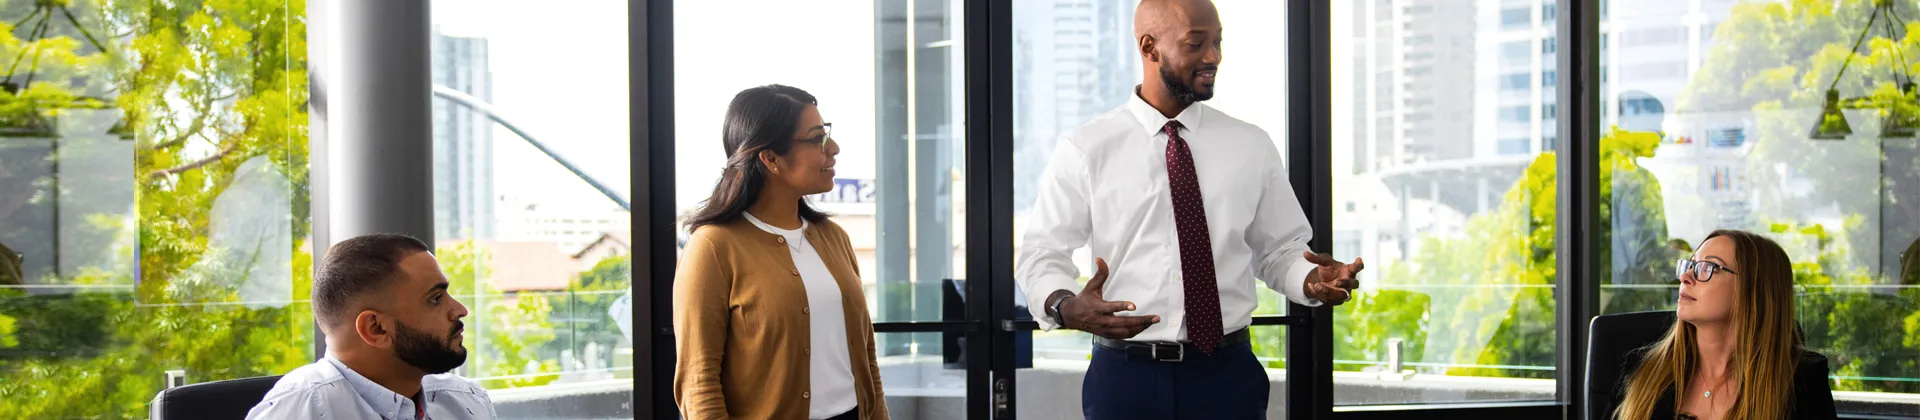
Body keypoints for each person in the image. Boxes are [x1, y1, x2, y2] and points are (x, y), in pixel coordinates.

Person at [1015, 0, 1363, 418]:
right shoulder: (1087, 149)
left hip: (1228, 377)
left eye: (1217, 42)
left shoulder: (1250, 145)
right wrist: (1065, 305)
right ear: (1149, 47)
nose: (1213, 56)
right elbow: (1041, 254)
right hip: (1125, 381)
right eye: (1196, 43)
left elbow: (1279, 252)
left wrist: (1311, 279)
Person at [674, 84, 888, 420]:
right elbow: (698, 382)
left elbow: (866, 357)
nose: (833, 148)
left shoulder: (833, 238)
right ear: (771, 158)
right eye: (817, 138)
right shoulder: (713, 247)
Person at [247, 233, 497, 420]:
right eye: (435, 299)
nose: (460, 310)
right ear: (375, 328)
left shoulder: (466, 403)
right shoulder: (299, 412)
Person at [1613, 230, 1836, 419]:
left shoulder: (1801, 381)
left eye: (1708, 267)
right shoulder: (1643, 370)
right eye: (1689, 265)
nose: (1686, 277)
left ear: (1754, 290)